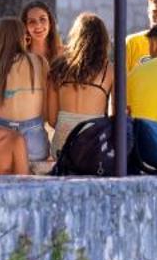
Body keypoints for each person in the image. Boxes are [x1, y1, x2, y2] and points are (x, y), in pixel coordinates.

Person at [45, 12, 112, 154]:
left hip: (62, 143)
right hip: (94, 141)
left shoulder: (58, 67)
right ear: (103, 39)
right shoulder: (110, 70)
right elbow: (116, 116)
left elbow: (51, 120)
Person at [0, 16, 50, 164]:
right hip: (33, 133)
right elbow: (46, 101)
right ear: (22, 36)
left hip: (1, 133)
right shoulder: (39, 62)